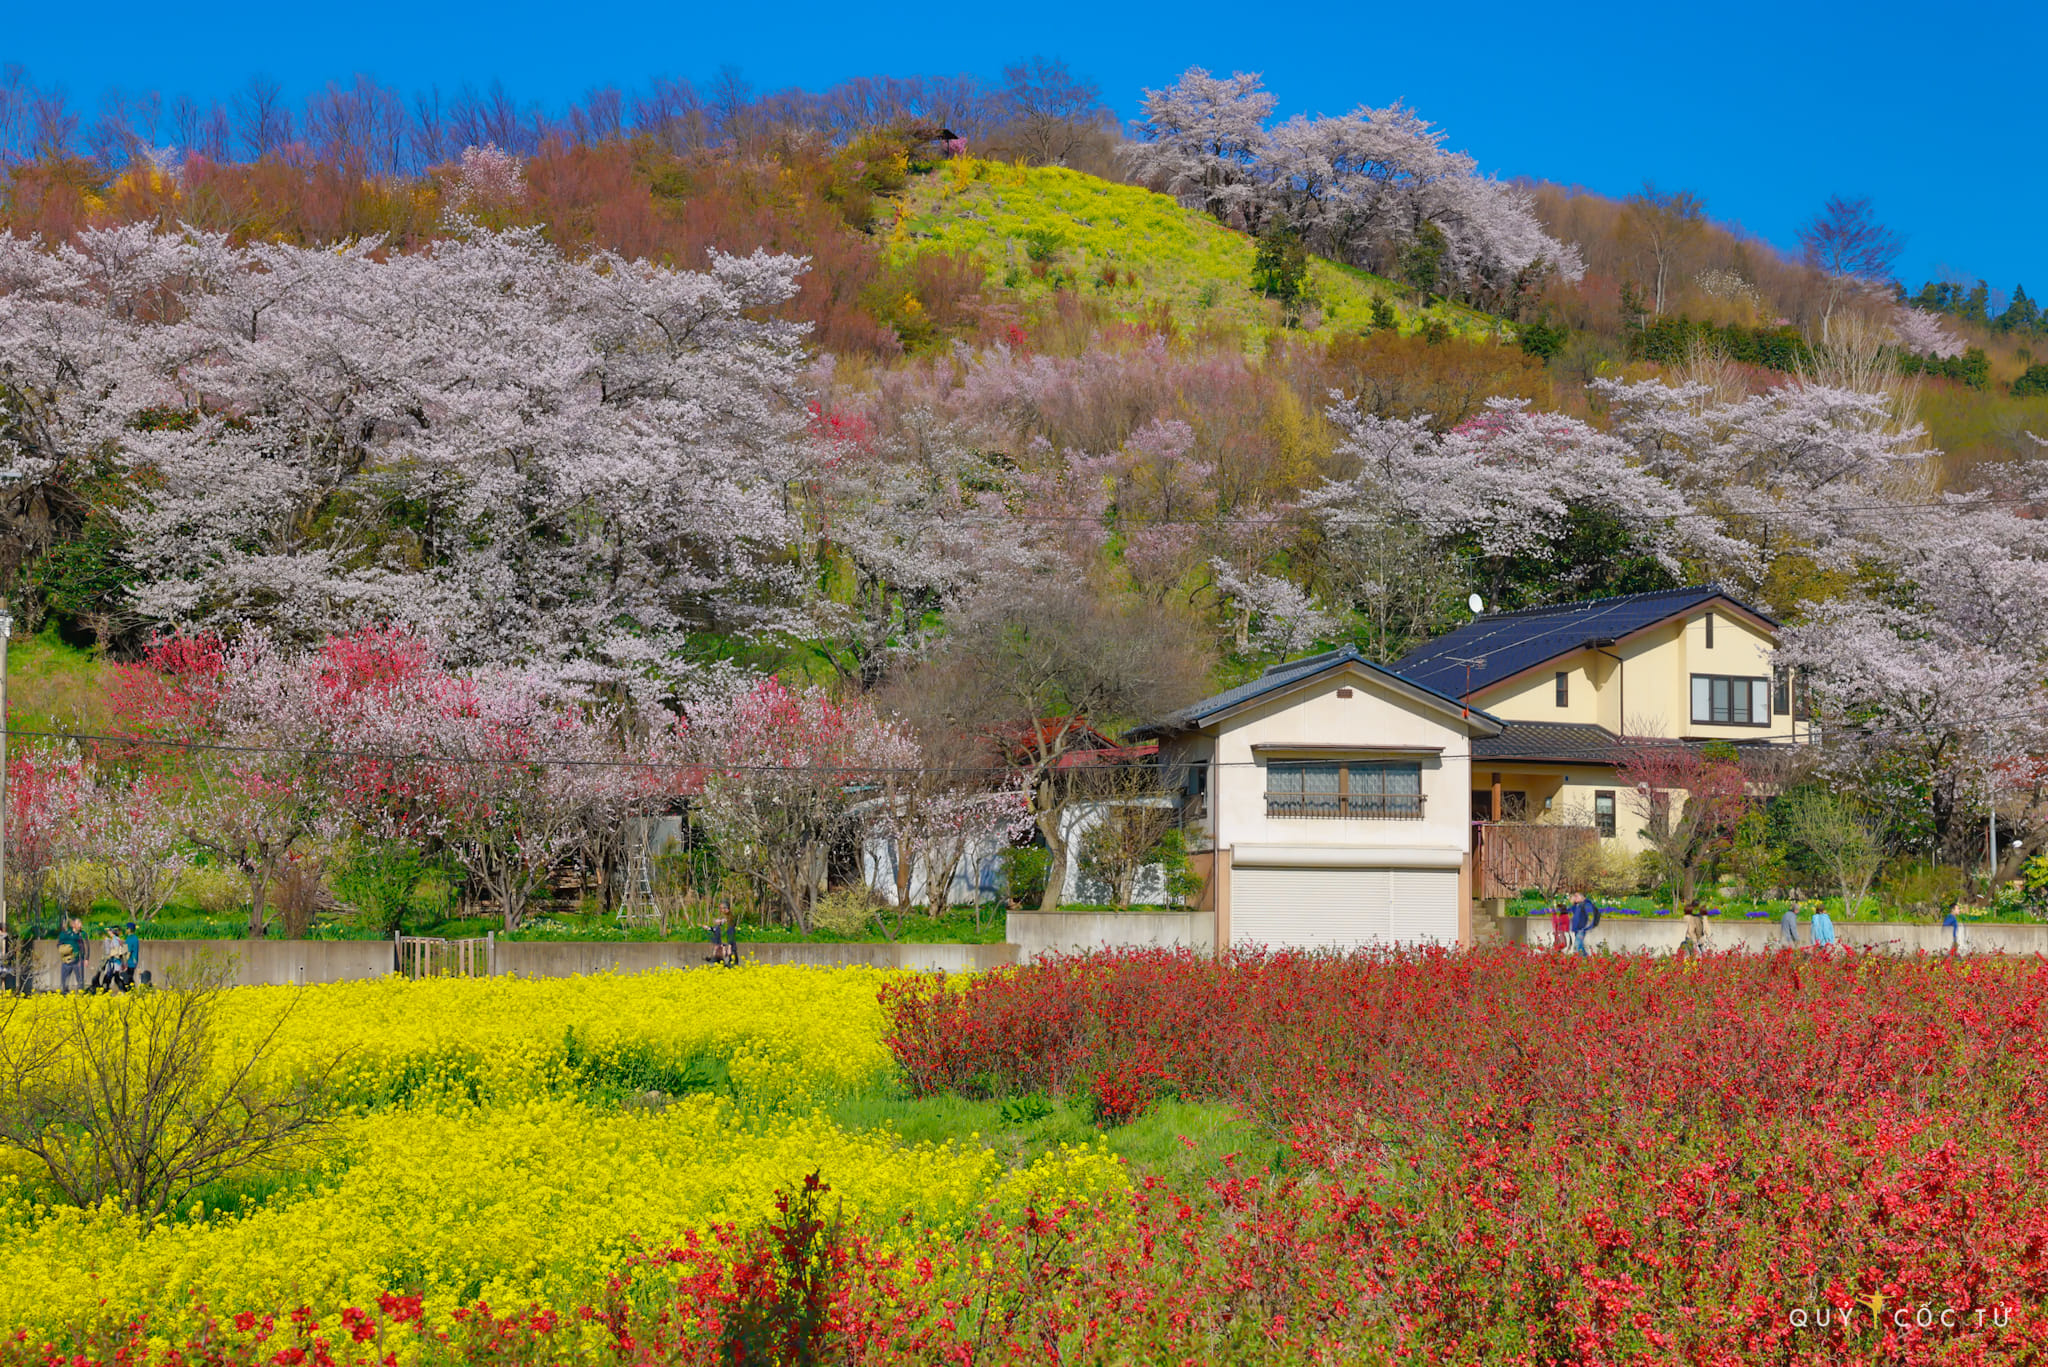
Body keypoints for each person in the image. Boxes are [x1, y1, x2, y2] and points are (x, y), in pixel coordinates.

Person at [57, 917, 86, 994]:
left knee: (80, 981)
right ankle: (64, 994)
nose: (81, 925)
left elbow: (83, 947)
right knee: (64, 981)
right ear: (73, 925)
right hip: (67, 961)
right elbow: (59, 945)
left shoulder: (81, 935)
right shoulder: (64, 934)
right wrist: (65, 949)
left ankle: (81, 994)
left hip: (77, 961)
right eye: (79, 923)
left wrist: (84, 959)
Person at [1568, 893, 1590, 957]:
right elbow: (1567, 910)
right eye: (1575, 897)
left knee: (1577, 946)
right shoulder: (1575, 906)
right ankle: (1587, 958)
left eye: (1577, 896)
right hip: (1576, 930)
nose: (1575, 898)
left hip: (1581, 929)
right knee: (1580, 947)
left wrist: (1583, 899)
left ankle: (1579, 960)